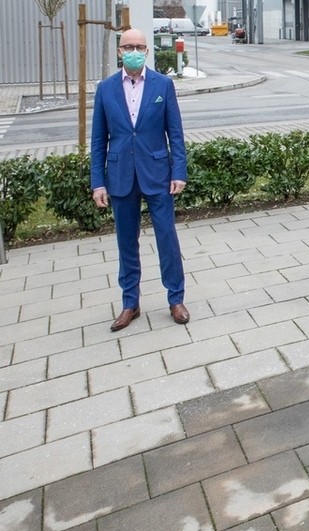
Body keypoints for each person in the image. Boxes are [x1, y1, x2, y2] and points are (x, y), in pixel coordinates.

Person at [90, 27, 189, 332]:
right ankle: (130, 303)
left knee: (167, 239)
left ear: (147, 51)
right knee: (126, 242)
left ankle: (175, 298)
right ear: (119, 51)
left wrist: (179, 172)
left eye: (138, 46)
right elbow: (98, 140)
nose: (133, 51)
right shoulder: (105, 89)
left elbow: (175, 133)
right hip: (120, 177)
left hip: (158, 175)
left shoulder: (163, 85)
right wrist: (98, 182)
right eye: (127, 46)